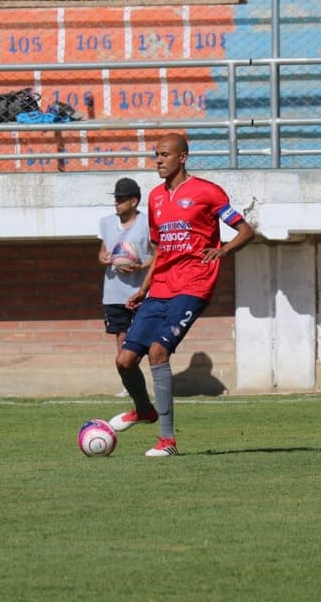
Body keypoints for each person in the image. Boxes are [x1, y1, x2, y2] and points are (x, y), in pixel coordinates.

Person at [109, 133, 255, 457]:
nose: (158, 161)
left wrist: (224, 250)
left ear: (182, 157)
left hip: (194, 284)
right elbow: (161, 250)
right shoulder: (156, 198)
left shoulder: (207, 192)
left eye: (164, 155)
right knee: (125, 360)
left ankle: (167, 441)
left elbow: (246, 230)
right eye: (155, 155)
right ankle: (143, 410)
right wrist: (143, 288)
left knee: (158, 352)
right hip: (161, 286)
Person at [97, 177, 154, 396]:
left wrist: (141, 266)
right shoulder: (106, 223)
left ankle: (148, 379)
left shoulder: (147, 223)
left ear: (134, 201)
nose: (117, 203)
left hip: (140, 292)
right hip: (113, 293)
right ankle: (128, 384)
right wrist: (106, 259)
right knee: (121, 338)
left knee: (142, 339)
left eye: (121, 199)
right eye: (116, 199)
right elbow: (103, 253)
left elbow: (158, 255)